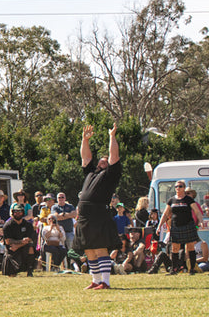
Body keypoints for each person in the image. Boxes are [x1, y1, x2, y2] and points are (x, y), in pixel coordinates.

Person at [75, 123, 121, 290]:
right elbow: (85, 157)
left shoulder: (111, 175)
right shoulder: (90, 173)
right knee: (89, 250)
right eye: (100, 161)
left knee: (101, 248)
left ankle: (106, 282)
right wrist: (84, 139)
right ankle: (95, 280)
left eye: (105, 161)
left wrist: (112, 137)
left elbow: (114, 155)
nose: (102, 162)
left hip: (98, 213)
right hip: (85, 215)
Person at [159, 179, 203, 274]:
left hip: (188, 225)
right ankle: (174, 269)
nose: (178, 188)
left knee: (190, 247)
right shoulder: (172, 200)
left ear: (183, 188)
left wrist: (201, 221)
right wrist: (160, 225)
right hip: (175, 226)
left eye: (180, 186)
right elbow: (165, 214)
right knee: (174, 248)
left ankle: (192, 269)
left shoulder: (188, 199)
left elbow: (197, 211)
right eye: (176, 186)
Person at [2, 203, 36, 277]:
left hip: (22, 247)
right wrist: (21, 241)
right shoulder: (7, 225)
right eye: (16, 212)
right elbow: (8, 241)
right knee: (11, 274)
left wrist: (18, 245)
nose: (18, 213)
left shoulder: (28, 225)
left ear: (23, 213)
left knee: (30, 248)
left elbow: (30, 239)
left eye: (20, 211)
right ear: (13, 213)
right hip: (12, 249)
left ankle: (29, 271)